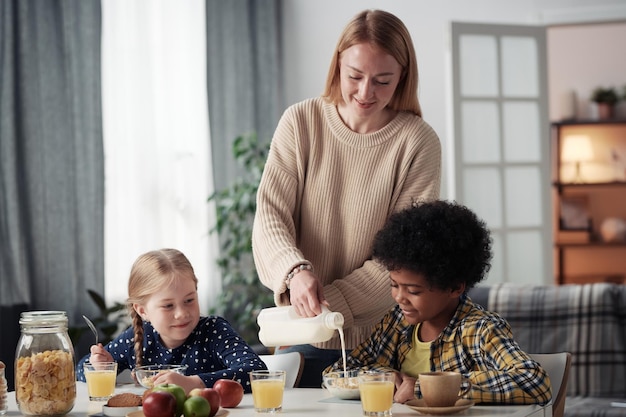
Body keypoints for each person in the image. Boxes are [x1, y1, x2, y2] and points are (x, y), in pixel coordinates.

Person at [251, 9, 441, 388]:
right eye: (355, 76)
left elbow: (403, 257)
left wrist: (325, 306)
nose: (365, 93)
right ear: (338, 64)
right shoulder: (301, 122)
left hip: (384, 345)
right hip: (300, 340)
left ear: (403, 76)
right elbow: (270, 216)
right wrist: (295, 273)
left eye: (382, 80)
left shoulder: (418, 142)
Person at [324, 201, 553, 405]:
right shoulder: (396, 324)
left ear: (454, 287)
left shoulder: (479, 330)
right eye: (394, 285)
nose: (399, 297)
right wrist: (380, 376)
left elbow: (533, 380)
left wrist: (431, 387)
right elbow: (336, 373)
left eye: (413, 290)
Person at [76, 248, 266, 393]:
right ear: (143, 310)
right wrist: (100, 366)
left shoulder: (213, 330)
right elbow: (79, 373)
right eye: (168, 306)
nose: (182, 313)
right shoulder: (136, 338)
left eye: (189, 300)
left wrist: (193, 383)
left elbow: (256, 372)